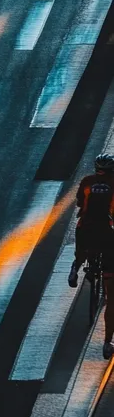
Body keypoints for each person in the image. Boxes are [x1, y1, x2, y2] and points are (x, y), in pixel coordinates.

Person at [68, 153, 114, 359]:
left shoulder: (87, 181)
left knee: (82, 246)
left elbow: (79, 203)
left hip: (86, 230)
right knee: (112, 298)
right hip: (109, 236)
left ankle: (75, 267)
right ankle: (107, 343)